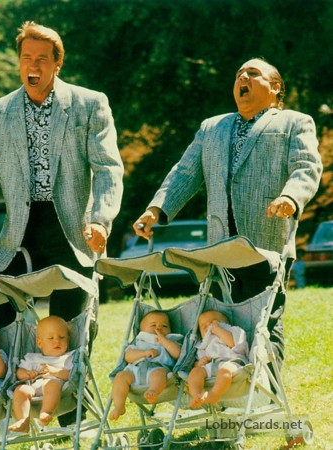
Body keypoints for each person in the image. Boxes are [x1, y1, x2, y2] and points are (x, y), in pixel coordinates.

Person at [133, 57, 322, 365]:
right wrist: (156, 209)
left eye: (253, 73)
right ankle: (229, 385)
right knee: (222, 324)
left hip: (266, 243)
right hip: (220, 248)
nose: (242, 78)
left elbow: (307, 167)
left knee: (264, 323)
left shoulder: (294, 122)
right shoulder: (212, 127)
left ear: (276, 88)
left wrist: (291, 196)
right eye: (238, 74)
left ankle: (267, 387)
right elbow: (184, 173)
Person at [0, 21, 124, 332]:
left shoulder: (89, 104)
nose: (33, 66)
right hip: (18, 230)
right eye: (27, 58)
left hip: (72, 231)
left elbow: (108, 167)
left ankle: (68, 364)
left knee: (70, 329)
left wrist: (101, 220)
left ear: (58, 63)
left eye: (42, 59)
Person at [109, 311, 182, 420]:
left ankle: (153, 391)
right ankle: (119, 405)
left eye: (164, 326)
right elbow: (128, 356)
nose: (159, 328)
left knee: (159, 374)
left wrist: (164, 341)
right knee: (120, 376)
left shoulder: (171, 340)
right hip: (135, 370)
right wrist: (144, 353)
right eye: (153, 325)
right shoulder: (140, 341)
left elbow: (179, 354)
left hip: (158, 368)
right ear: (142, 330)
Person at [8, 315, 74, 433]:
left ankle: (46, 412)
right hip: (33, 386)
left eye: (62, 337)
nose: (57, 341)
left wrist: (55, 372)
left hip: (57, 387)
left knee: (52, 384)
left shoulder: (68, 358)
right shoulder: (32, 358)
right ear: (39, 343)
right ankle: (23, 421)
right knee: (20, 390)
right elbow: (18, 372)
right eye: (51, 338)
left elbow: (73, 376)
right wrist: (26, 374)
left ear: (67, 341)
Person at [187, 310, 249, 408]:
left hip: (233, 361)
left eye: (213, 322)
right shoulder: (203, 344)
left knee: (225, 370)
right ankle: (197, 395)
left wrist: (218, 329)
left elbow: (232, 343)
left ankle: (214, 393)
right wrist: (199, 363)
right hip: (212, 364)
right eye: (204, 327)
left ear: (226, 324)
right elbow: (197, 362)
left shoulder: (234, 331)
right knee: (195, 372)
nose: (209, 327)